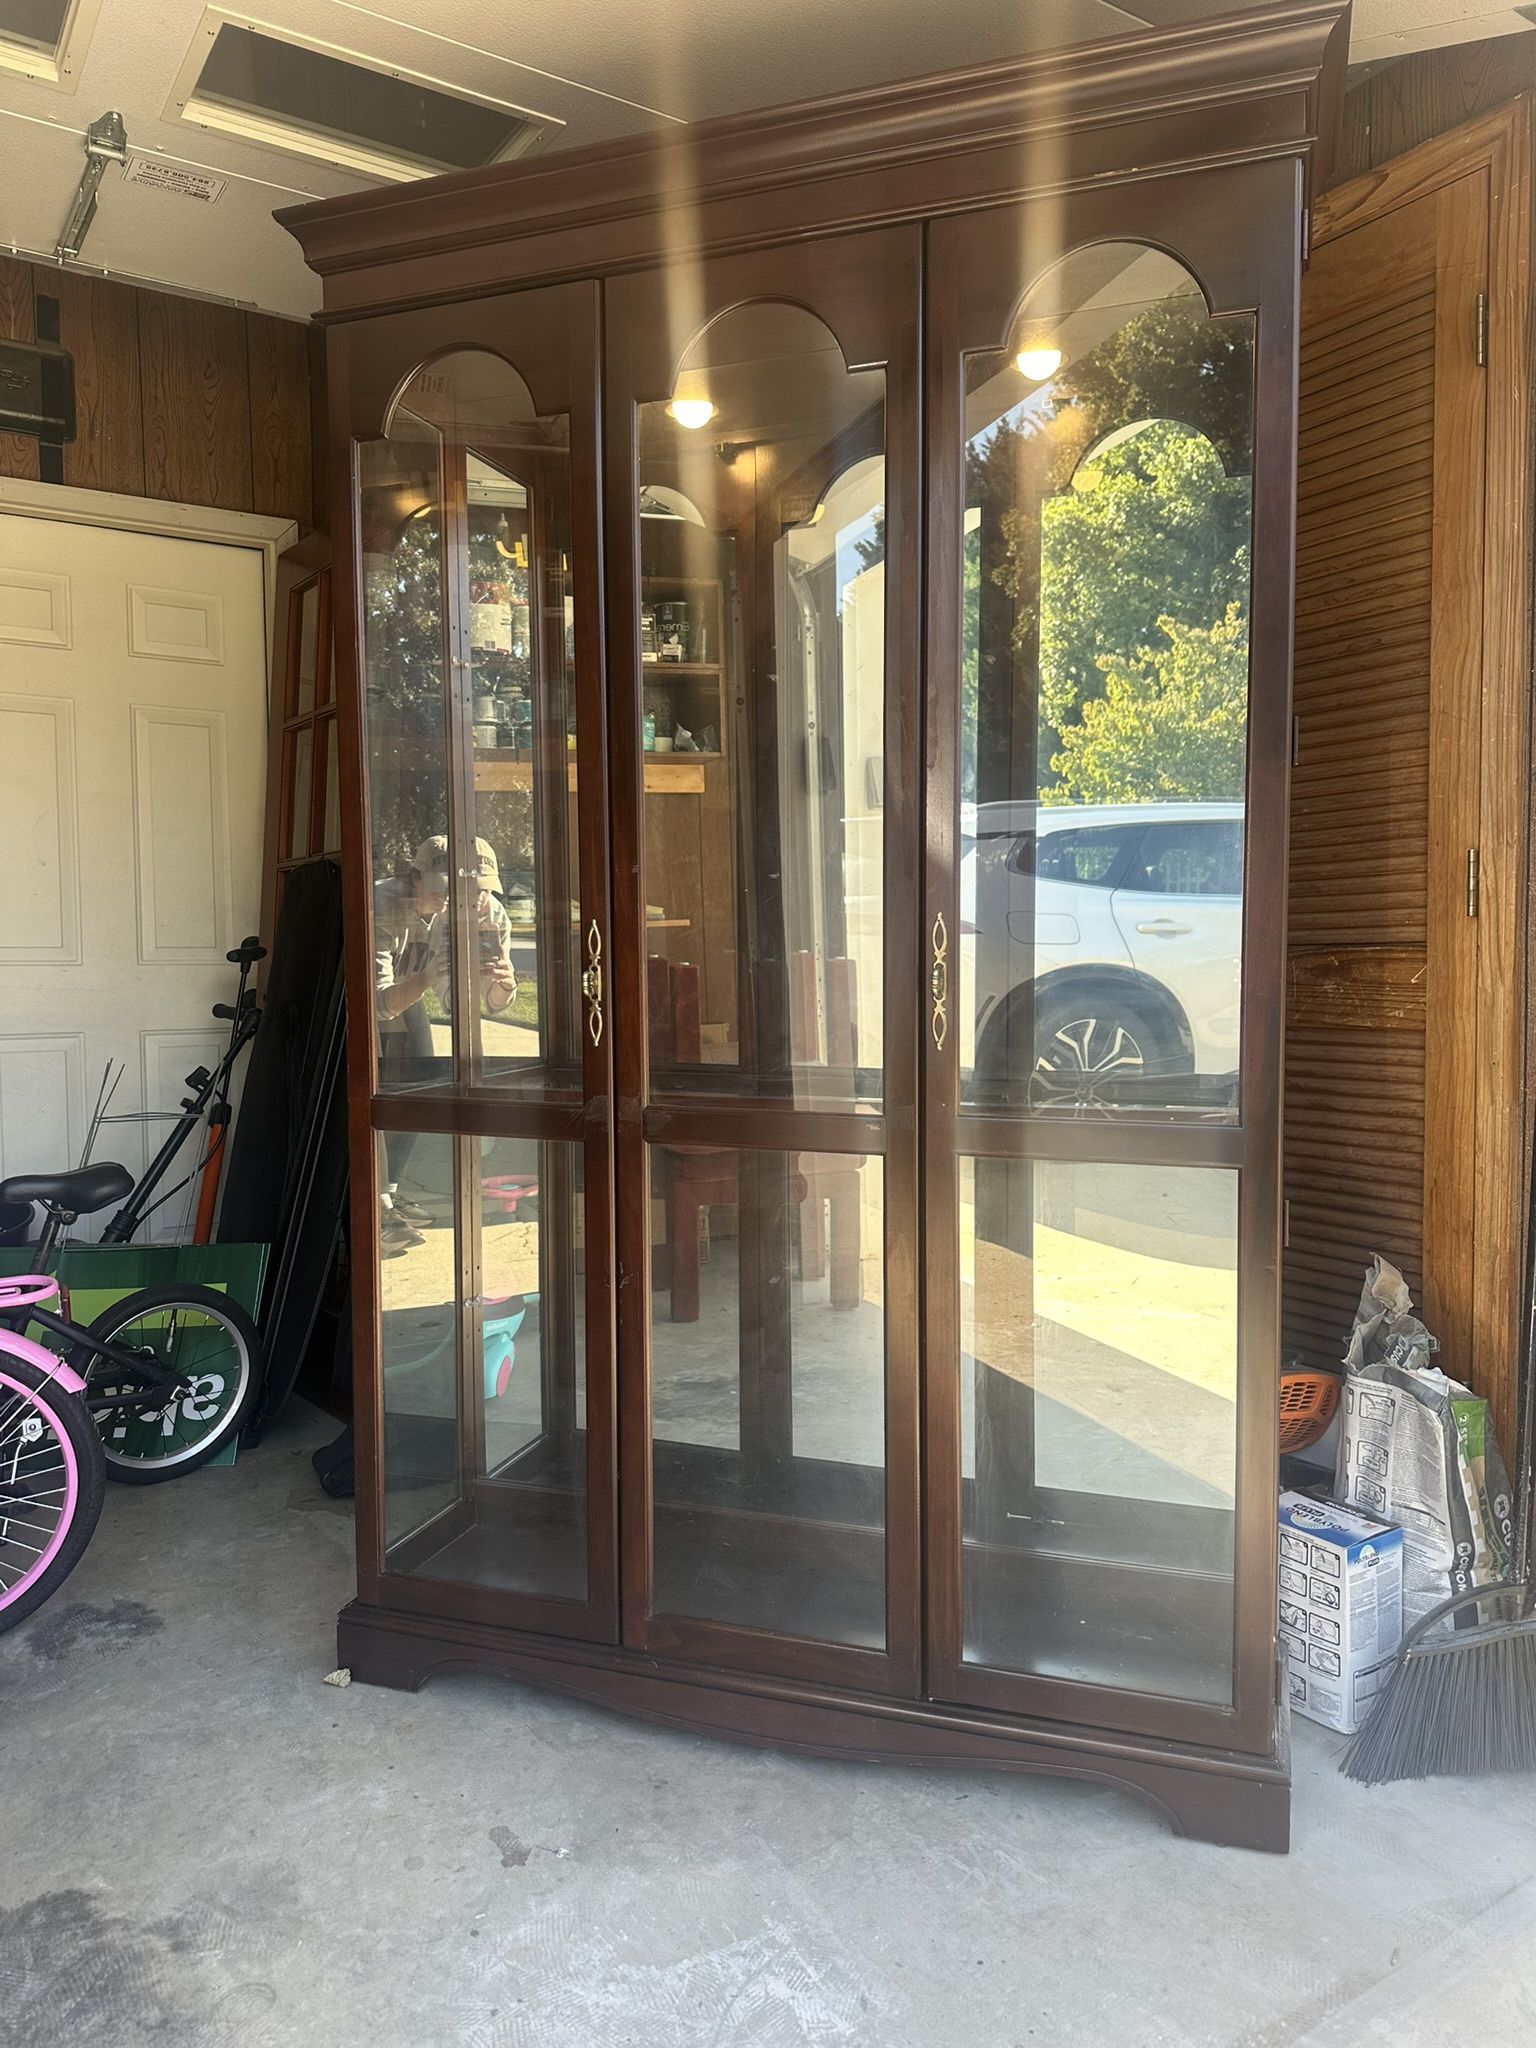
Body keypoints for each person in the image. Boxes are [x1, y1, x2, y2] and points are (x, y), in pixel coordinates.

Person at [373, 833, 516, 1254]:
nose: (461, 904)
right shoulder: (384, 903)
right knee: (376, 1092)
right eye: (445, 893)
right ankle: (377, 1204)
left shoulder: (489, 913)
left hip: (412, 990)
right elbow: (377, 1004)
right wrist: (426, 979)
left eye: (478, 893)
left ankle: (391, 1190)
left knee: (421, 1087)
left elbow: (463, 1002)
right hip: (366, 998)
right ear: (415, 879)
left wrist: (502, 989)